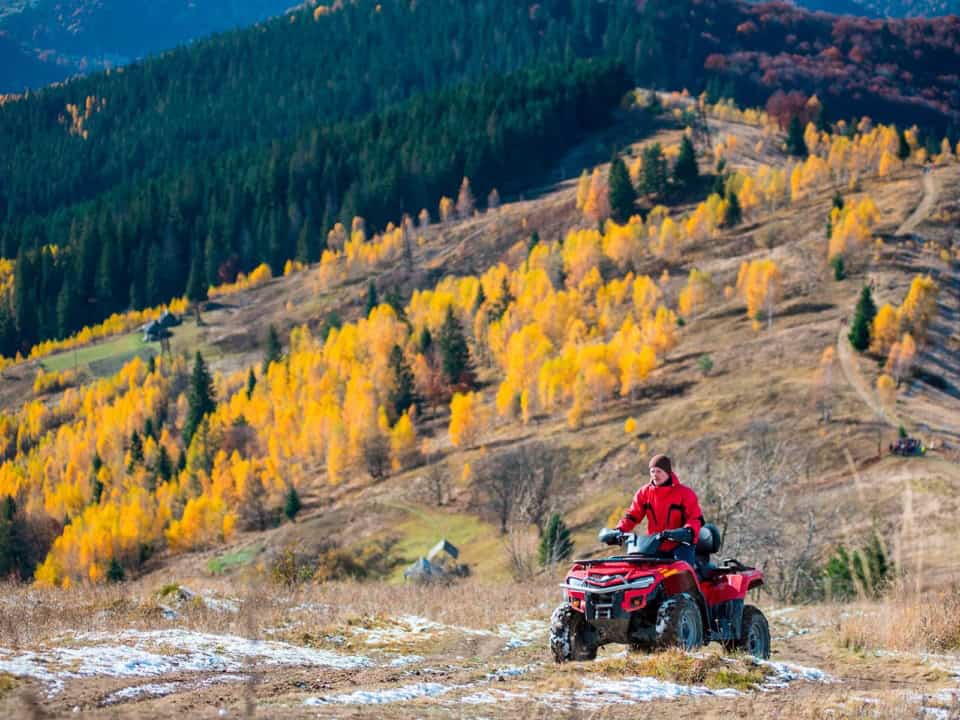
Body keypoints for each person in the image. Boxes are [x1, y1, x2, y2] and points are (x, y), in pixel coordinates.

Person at [599, 454, 704, 568]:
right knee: (636, 571)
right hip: (653, 545)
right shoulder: (644, 492)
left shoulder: (685, 493)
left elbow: (695, 518)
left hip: (680, 545)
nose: (655, 475)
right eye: (652, 471)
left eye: (658, 471)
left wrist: (687, 532)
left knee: (683, 573)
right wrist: (619, 530)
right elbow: (632, 516)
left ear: (668, 472)